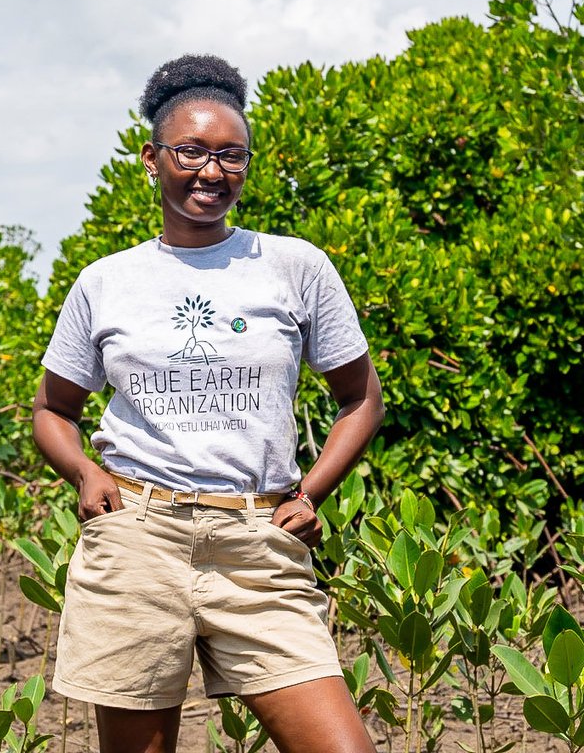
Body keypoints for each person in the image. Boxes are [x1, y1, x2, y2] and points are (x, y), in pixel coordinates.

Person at [32, 54, 385, 753]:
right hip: (137, 541)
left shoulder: (295, 266)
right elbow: (52, 409)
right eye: (191, 151)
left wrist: (311, 493)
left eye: (231, 155)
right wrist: (86, 474)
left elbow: (361, 399)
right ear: (152, 158)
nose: (211, 171)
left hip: (259, 545)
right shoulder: (106, 282)